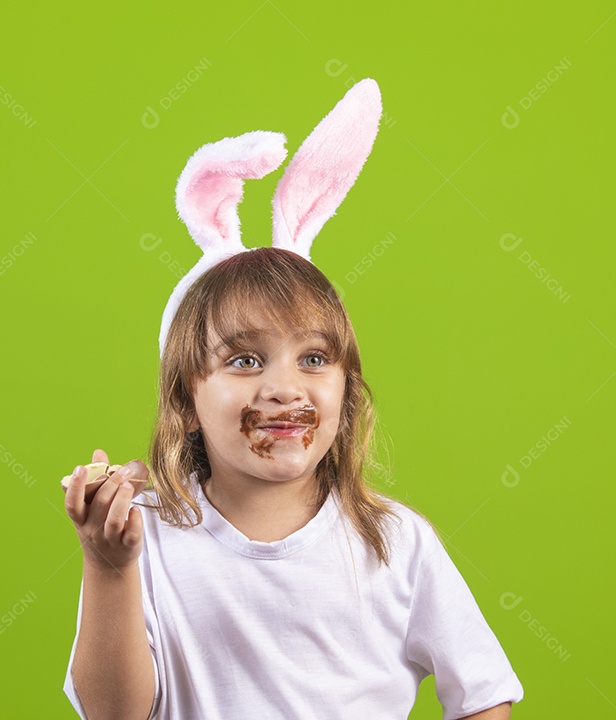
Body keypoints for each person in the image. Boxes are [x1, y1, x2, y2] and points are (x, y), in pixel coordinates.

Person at [61, 79, 524, 720]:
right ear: (186, 401)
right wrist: (108, 567)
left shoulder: (395, 542)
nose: (284, 388)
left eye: (313, 359)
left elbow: (483, 696)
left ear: (346, 387)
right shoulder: (149, 537)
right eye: (245, 360)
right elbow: (114, 714)